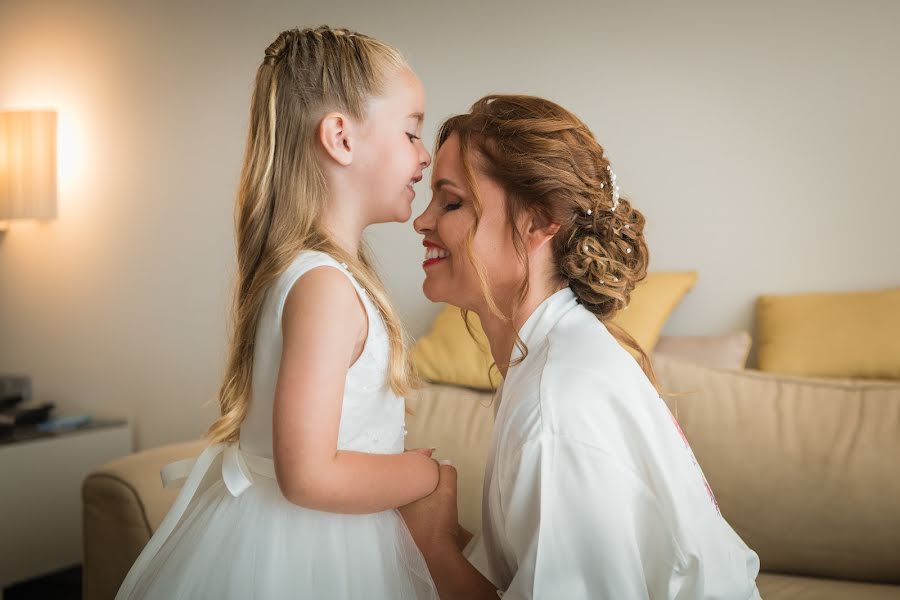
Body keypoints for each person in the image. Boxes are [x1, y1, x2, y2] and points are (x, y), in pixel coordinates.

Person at [116, 26, 439, 599]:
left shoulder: (317, 275)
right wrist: (425, 475)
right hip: (312, 553)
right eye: (412, 132)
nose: (424, 155)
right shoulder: (324, 286)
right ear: (340, 137)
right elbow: (309, 474)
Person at [403, 94, 761, 599]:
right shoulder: (547, 359)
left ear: (538, 220)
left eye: (452, 202)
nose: (422, 222)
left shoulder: (559, 403)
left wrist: (436, 546)